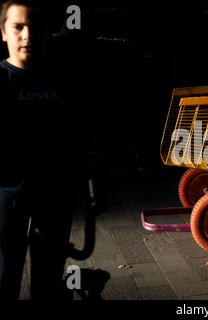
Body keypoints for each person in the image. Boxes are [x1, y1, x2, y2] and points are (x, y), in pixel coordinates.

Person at [0, 0, 88, 300]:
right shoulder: (0, 81)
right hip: (6, 199)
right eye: (18, 27)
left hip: (54, 198)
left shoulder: (64, 83)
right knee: (4, 277)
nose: (27, 35)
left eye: (35, 28)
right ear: (4, 32)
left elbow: (78, 139)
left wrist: (91, 185)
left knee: (47, 283)